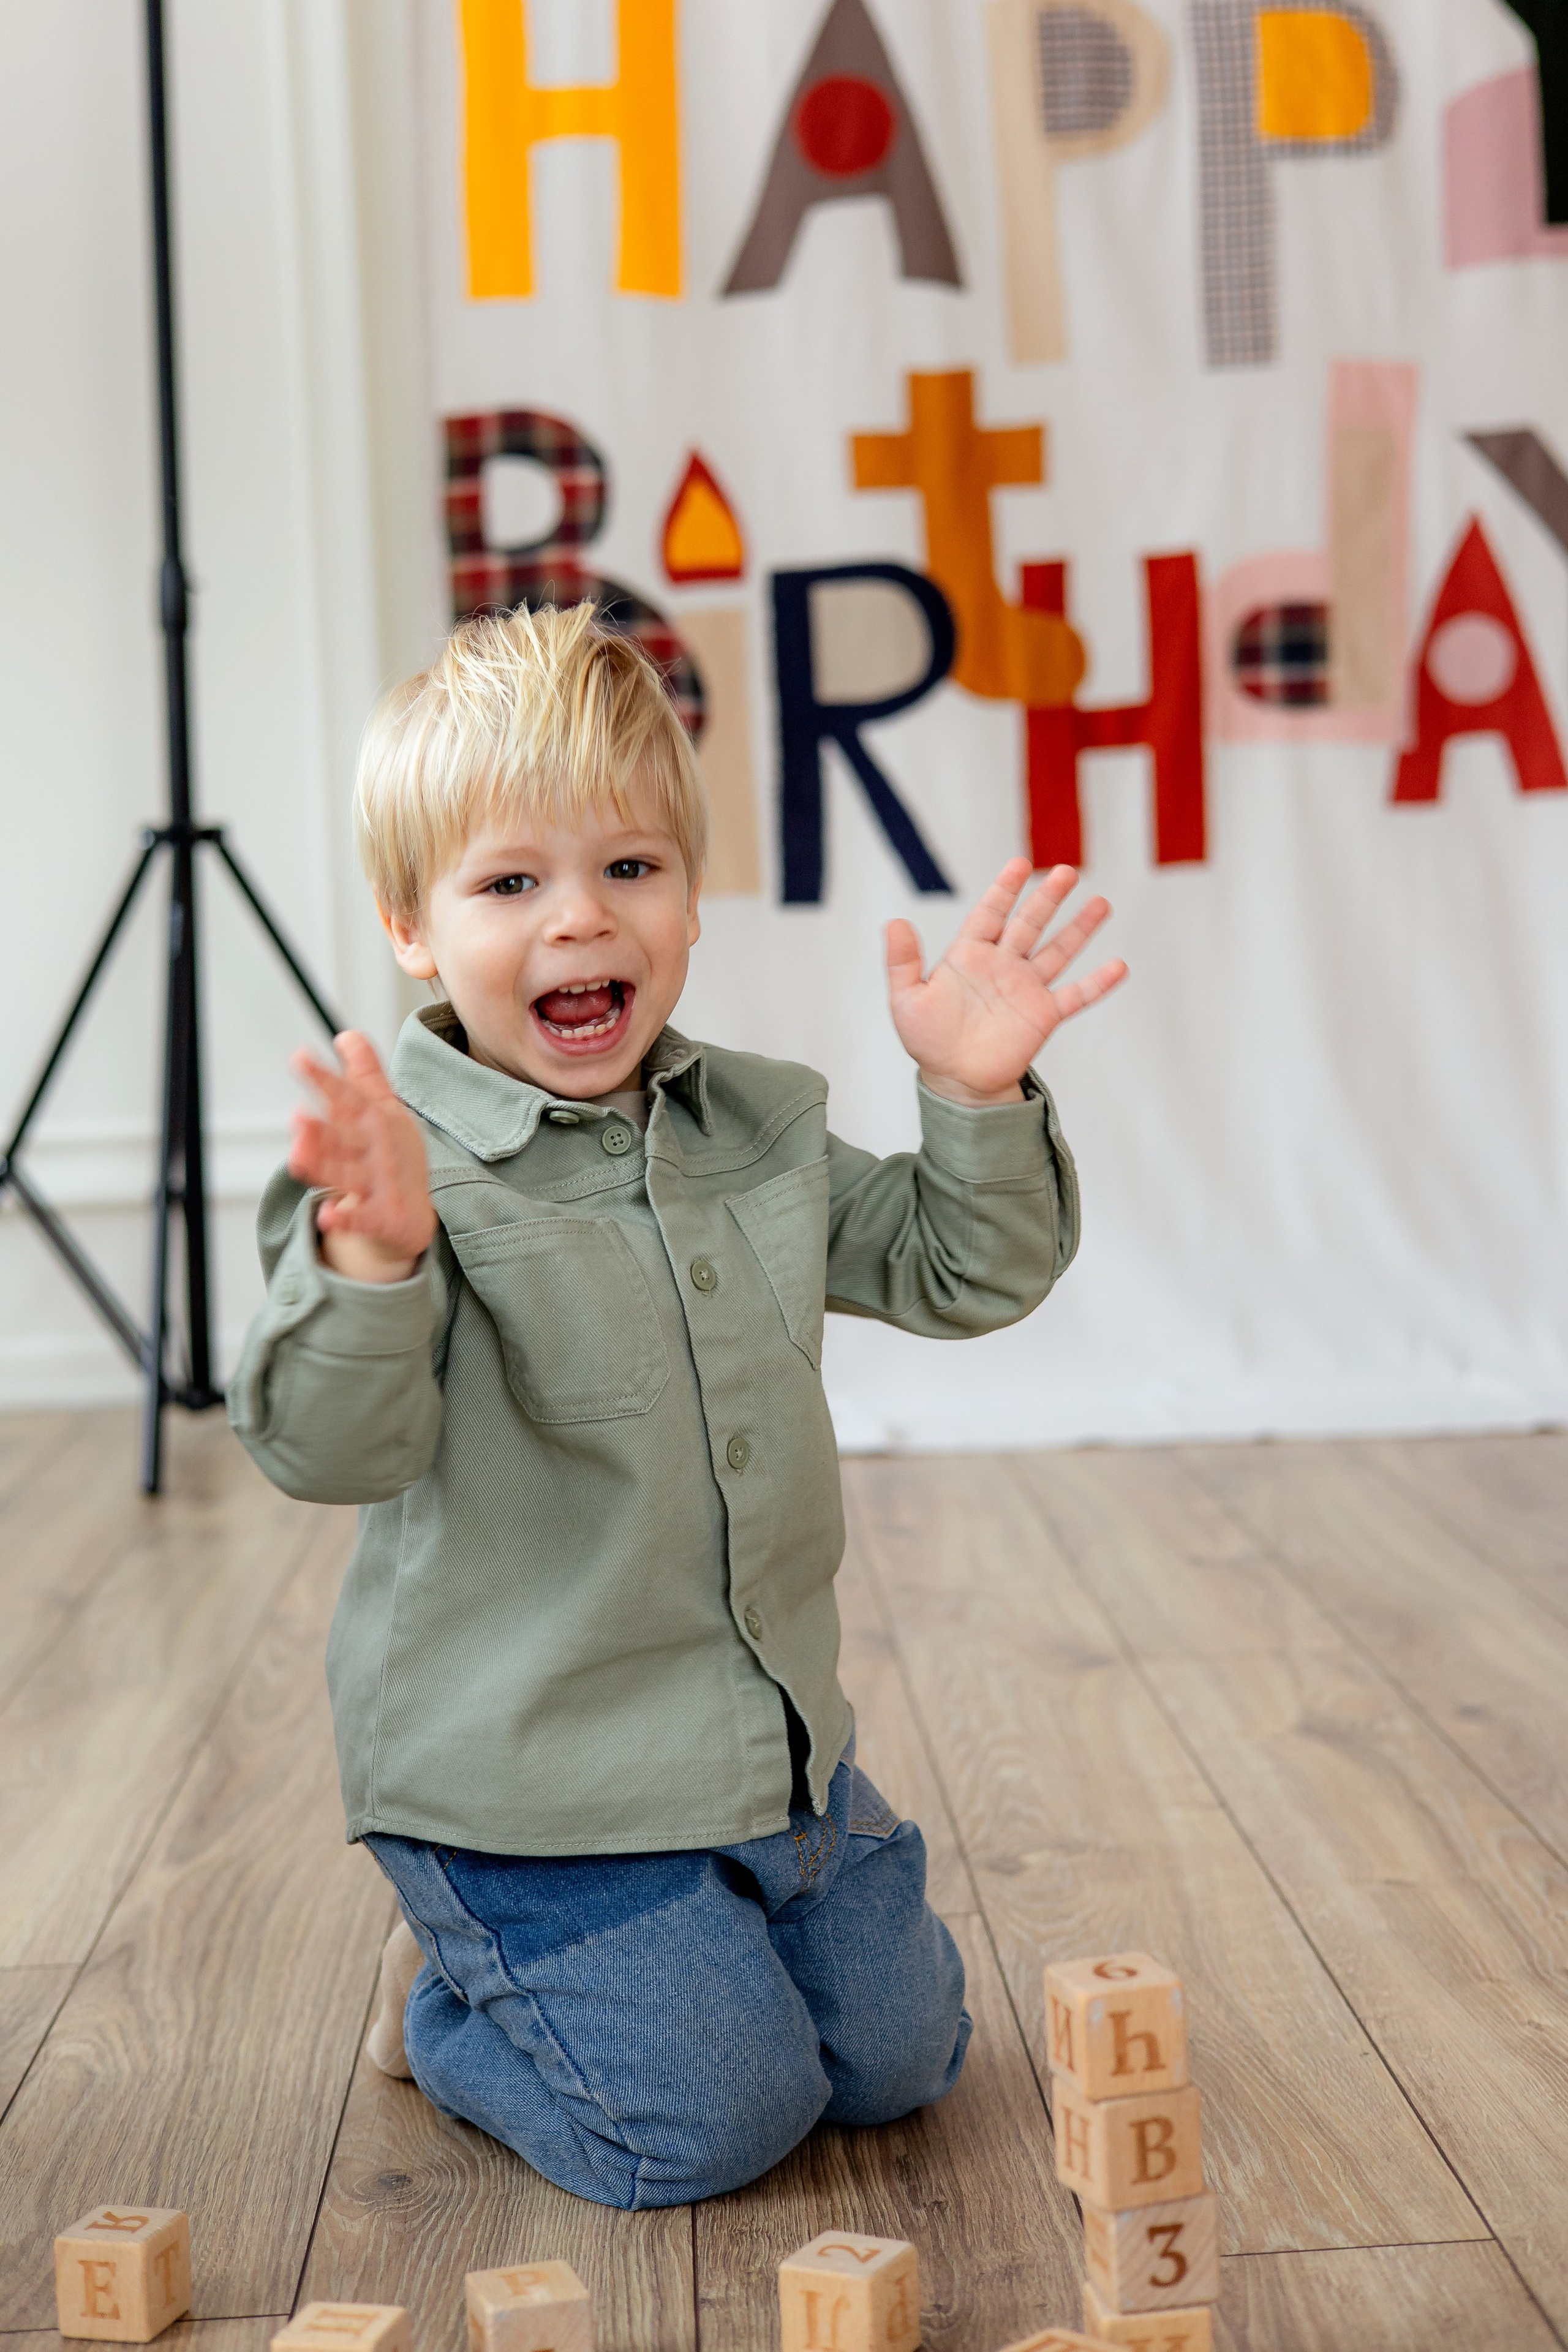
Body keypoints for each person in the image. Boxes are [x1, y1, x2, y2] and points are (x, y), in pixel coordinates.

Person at [230, 601, 1126, 2211]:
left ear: (690, 900)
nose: (581, 921)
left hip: (767, 1761)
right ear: (413, 927)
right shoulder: (392, 1173)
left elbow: (956, 1272)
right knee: (709, 2128)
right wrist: (371, 1264)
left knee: (903, 2063)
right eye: (512, 884)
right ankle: (455, 1999)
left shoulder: (756, 1128)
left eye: (629, 869)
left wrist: (975, 1096)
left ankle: (663, 1946)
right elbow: (324, 1448)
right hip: (529, 1788)